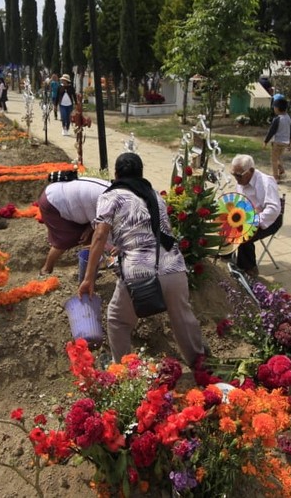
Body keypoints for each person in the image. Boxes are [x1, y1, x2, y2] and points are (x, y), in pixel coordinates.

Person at [78, 153, 206, 366]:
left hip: (139, 273)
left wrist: (88, 278)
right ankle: (200, 365)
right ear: (141, 173)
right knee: (182, 319)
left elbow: (99, 235)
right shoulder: (154, 195)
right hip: (174, 268)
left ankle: (123, 371)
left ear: (116, 174)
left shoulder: (111, 196)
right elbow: (157, 230)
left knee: (117, 320)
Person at [37, 171, 111, 275]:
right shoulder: (106, 198)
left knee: (89, 234)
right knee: (66, 239)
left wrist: (90, 228)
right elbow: (101, 228)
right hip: (53, 203)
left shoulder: (112, 193)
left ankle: (95, 266)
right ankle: (46, 269)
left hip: (67, 199)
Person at [229, 154, 282, 278]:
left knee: (244, 234)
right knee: (226, 224)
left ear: (251, 171)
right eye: (233, 174)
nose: (236, 178)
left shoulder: (266, 182)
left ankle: (249, 269)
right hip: (249, 215)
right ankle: (226, 257)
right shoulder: (241, 181)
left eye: (238, 175)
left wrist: (255, 221)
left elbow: (273, 209)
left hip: (270, 219)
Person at [264, 94, 291, 181]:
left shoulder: (277, 119)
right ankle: (282, 171)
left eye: (274, 107)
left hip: (277, 142)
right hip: (285, 142)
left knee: (274, 160)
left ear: (277, 108)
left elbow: (271, 131)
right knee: (279, 157)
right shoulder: (289, 118)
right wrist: (290, 141)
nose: (274, 109)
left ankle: (275, 177)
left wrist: (266, 141)